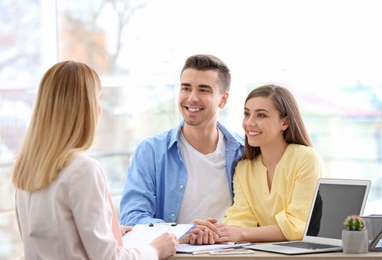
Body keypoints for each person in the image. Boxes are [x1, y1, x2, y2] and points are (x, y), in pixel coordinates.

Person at [12, 61, 178, 259]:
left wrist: (108, 232)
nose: (99, 108)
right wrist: (156, 249)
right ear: (86, 107)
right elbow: (108, 258)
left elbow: (57, 239)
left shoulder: (27, 168)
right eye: (97, 98)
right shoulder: (83, 169)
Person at [120, 54, 244, 243]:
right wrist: (184, 232)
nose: (192, 98)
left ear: (223, 100)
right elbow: (133, 218)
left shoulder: (245, 151)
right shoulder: (151, 151)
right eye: (186, 88)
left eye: (204, 90)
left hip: (234, 253)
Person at [214, 84, 327, 243]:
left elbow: (298, 224)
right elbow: (240, 218)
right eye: (247, 114)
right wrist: (216, 231)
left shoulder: (306, 158)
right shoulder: (244, 168)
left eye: (261, 115)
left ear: (285, 122)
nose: (249, 123)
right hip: (263, 254)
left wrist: (241, 234)